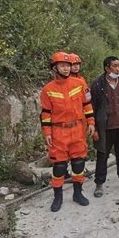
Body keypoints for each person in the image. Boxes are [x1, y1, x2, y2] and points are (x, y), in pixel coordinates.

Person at [40, 52, 95, 212]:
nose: (66, 68)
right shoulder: (47, 90)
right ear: (54, 68)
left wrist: (91, 122)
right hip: (59, 132)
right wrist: (47, 133)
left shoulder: (79, 84)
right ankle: (58, 197)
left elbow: (87, 104)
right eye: (62, 66)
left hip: (78, 129)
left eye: (68, 65)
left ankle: (78, 193)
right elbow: (45, 114)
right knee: (59, 167)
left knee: (79, 164)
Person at [90, 56, 119, 198]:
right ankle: (99, 183)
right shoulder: (98, 84)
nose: (118, 68)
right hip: (104, 127)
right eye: (115, 66)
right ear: (107, 68)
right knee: (102, 155)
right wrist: (95, 128)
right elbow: (91, 107)